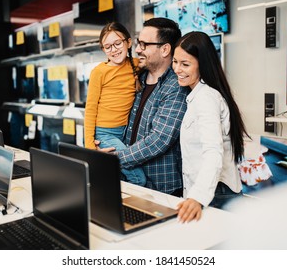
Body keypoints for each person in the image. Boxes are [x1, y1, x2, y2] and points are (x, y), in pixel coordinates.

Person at [97, 17, 189, 196]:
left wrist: (115, 159)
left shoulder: (176, 86)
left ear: (164, 49)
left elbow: (159, 140)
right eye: (138, 43)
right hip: (130, 179)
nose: (137, 49)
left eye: (144, 45)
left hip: (161, 189)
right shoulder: (138, 77)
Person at [172, 31, 249, 223]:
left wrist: (197, 197)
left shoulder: (206, 98)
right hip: (211, 192)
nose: (177, 69)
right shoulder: (198, 95)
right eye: (175, 62)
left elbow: (213, 152)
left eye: (185, 64)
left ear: (202, 65)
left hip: (216, 194)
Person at [84, 22, 146, 186]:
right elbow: (90, 109)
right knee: (139, 178)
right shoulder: (99, 72)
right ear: (103, 50)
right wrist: (90, 148)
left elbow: (155, 61)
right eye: (108, 46)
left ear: (129, 42)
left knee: (115, 176)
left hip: (124, 133)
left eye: (117, 43)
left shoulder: (135, 64)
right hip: (105, 134)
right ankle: (125, 210)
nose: (114, 49)